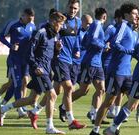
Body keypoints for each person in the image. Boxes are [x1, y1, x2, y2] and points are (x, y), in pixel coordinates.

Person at [0, 11, 67, 134]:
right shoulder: (40, 33)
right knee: (52, 95)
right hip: (39, 70)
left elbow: (51, 55)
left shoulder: (54, 35)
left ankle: (4, 109)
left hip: (46, 69)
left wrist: (57, 50)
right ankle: (49, 127)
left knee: (31, 99)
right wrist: (35, 67)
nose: (61, 27)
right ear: (54, 22)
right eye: (60, 24)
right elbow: (29, 53)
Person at [89, 2, 139, 135]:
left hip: (127, 73)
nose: (136, 16)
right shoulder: (123, 26)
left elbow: (133, 50)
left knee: (134, 100)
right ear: (126, 15)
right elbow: (114, 43)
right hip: (116, 72)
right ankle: (95, 130)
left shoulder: (132, 30)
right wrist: (128, 51)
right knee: (108, 102)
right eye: (134, 13)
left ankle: (113, 127)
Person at [0, 8, 36, 117]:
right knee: (16, 83)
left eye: (31, 19)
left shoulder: (32, 26)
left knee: (23, 83)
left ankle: (5, 105)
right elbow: (1, 36)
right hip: (14, 60)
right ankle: (19, 109)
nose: (30, 21)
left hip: (26, 60)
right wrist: (10, 46)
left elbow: (35, 41)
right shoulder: (13, 24)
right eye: (29, 18)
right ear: (23, 15)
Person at [70, 8, 107, 124]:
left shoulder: (96, 26)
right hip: (90, 63)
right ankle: (64, 106)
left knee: (101, 89)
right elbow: (92, 40)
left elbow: (86, 41)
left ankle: (93, 113)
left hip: (97, 63)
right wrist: (103, 45)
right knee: (83, 90)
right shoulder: (96, 25)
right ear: (104, 16)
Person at [52, 0, 86, 129]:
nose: (73, 10)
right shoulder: (60, 19)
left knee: (55, 90)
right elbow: (53, 34)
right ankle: (71, 121)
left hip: (70, 60)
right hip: (59, 58)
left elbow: (76, 38)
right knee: (68, 87)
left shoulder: (77, 22)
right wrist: (56, 45)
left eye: (75, 8)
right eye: (71, 7)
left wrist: (77, 50)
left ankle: (35, 110)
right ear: (67, 7)